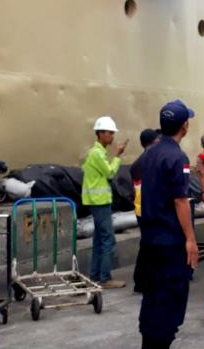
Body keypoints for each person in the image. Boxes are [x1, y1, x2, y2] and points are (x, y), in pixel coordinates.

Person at [135, 100, 199, 349]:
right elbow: (180, 201)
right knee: (170, 303)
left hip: (150, 239)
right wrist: (190, 239)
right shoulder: (177, 157)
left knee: (152, 300)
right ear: (185, 126)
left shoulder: (149, 153)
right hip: (170, 243)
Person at [82, 116, 128, 288]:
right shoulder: (97, 154)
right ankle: (105, 277)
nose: (112, 137)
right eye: (110, 133)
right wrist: (117, 156)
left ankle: (95, 275)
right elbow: (109, 173)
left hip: (97, 201)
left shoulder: (97, 153)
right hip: (99, 202)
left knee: (99, 240)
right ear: (100, 134)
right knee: (108, 239)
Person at [131, 128, 161, 294]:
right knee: (149, 245)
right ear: (154, 141)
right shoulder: (150, 161)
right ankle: (143, 281)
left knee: (146, 244)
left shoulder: (137, 163)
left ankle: (141, 280)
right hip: (149, 208)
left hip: (140, 207)